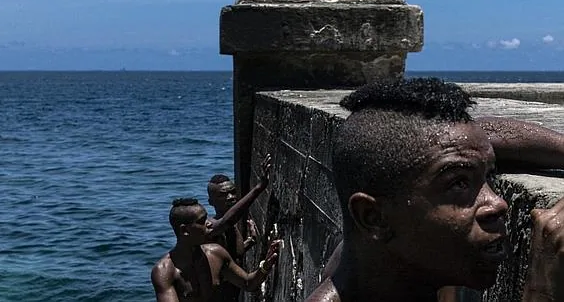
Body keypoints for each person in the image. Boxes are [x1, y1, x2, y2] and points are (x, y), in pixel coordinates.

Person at [306, 77, 564, 302]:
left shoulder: (382, 255)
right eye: (458, 184)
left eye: (489, 177)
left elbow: (476, 135)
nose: (498, 203)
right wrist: (541, 290)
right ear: (373, 217)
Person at [151, 198, 282, 302]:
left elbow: (248, 283)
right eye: (202, 221)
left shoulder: (216, 253)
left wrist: (265, 266)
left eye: (206, 218)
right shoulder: (164, 271)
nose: (209, 223)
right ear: (185, 230)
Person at [205, 154, 271, 301]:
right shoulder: (211, 226)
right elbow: (226, 221)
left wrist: (249, 242)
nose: (230, 197)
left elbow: (227, 257)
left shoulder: (231, 227)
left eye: (233, 192)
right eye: (223, 195)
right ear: (211, 202)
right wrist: (258, 188)